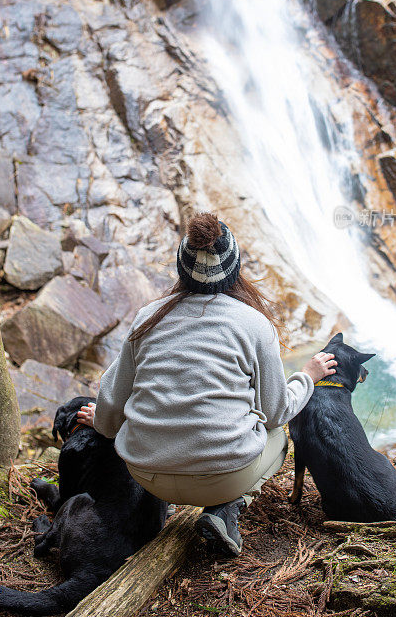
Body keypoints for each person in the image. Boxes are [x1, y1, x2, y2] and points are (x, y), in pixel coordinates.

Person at [77, 213, 337, 556]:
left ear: (181, 269)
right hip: (222, 480)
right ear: (235, 269)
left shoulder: (147, 318)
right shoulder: (255, 325)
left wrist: (101, 421)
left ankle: (165, 507)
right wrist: (308, 375)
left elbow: (111, 407)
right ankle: (226, 510)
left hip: (146, 474)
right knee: (277, 438)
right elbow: (276, 413)